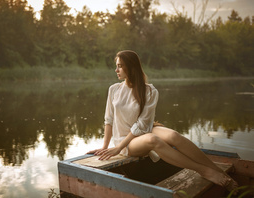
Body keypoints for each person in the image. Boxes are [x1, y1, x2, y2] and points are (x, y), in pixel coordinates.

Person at [87, 50, 238, 191]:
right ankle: (203, 170)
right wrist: (109, 147)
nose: (116, 70)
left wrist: (119, 147)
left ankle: (219, 171)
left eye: (120, 66)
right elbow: (109, 120)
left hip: (143, 130)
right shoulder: (114, 89)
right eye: (116, 66)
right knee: (154, 140)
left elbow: (142, 124)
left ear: (131, 67)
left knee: (173, 136)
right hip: (125, 141)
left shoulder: (150, 91)